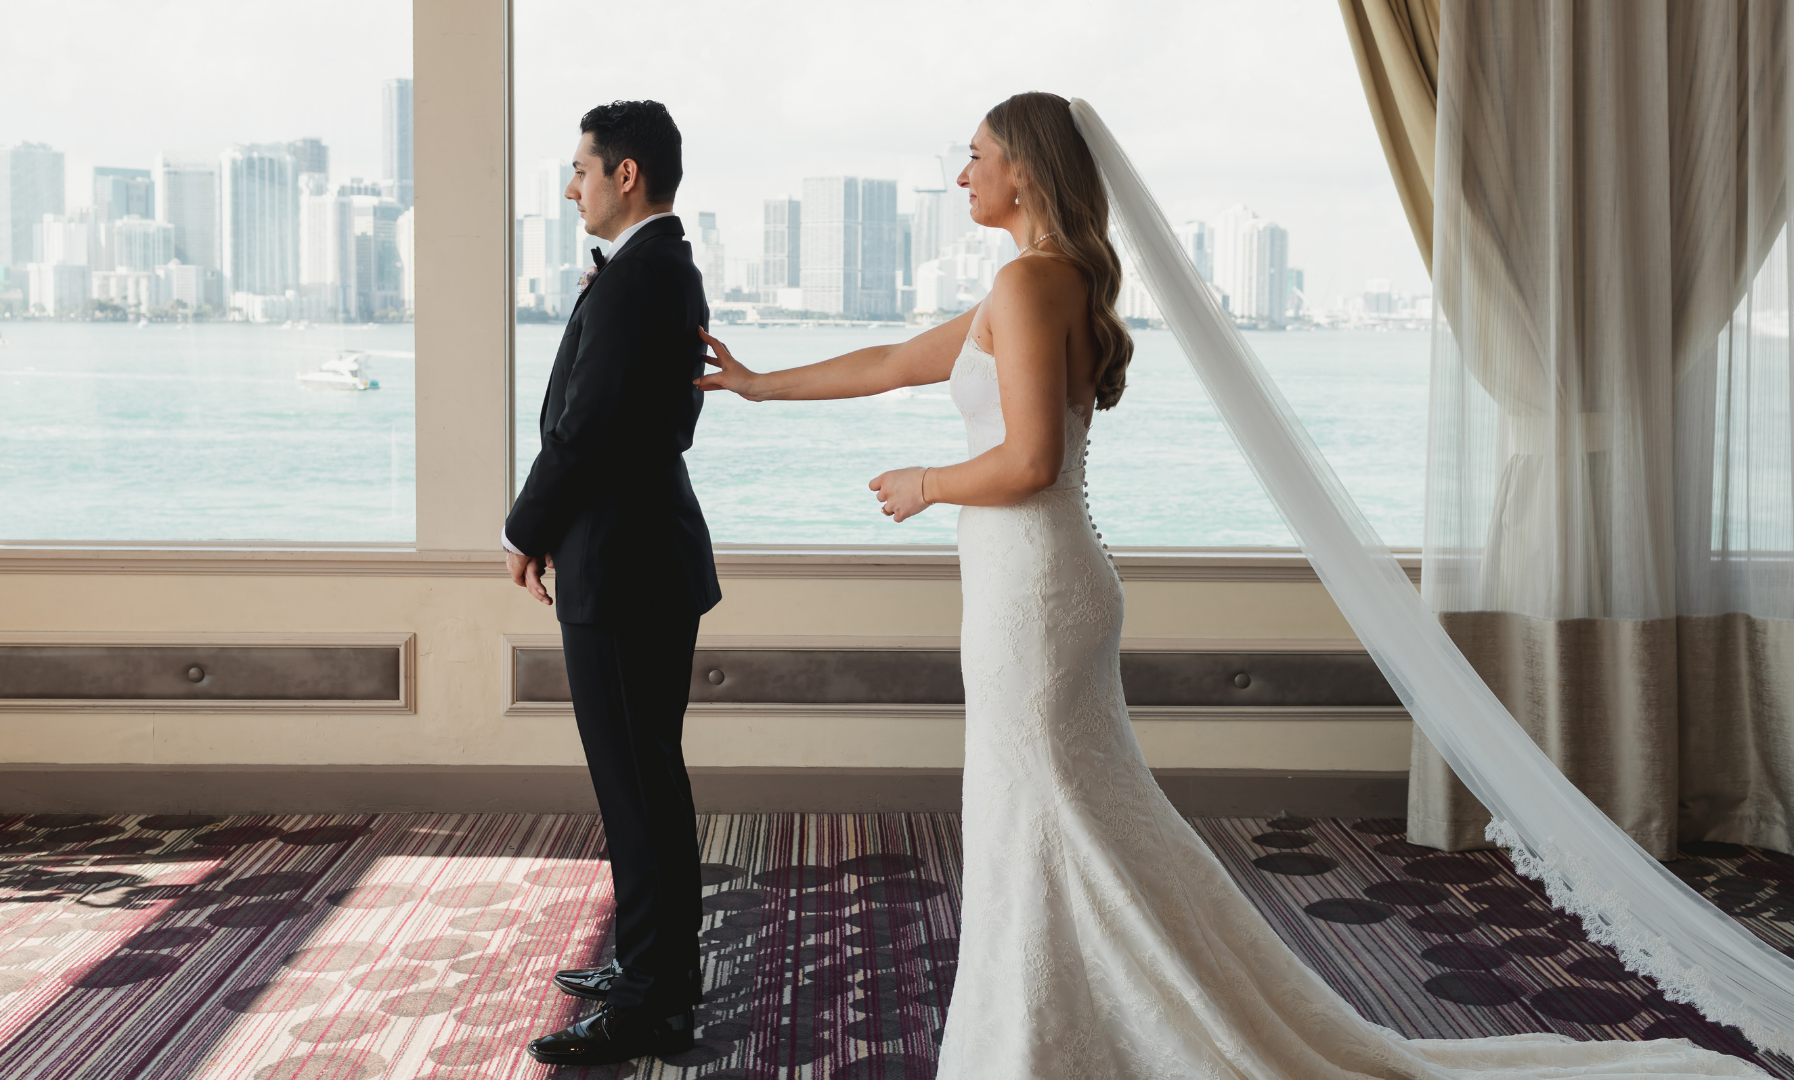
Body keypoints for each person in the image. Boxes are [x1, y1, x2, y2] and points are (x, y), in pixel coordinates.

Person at [696, 92, 1763, 1078]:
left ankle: (1047, 1035)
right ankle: (1069, 1018)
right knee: (1065, 813)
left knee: (1043, 811)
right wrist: (756, 387)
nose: (960, 174)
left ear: (1024, 170)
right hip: (1041, 585)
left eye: (974, 156)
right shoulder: (1035, 281)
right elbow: (889, 361)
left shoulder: (1031, 283)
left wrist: (927, 482)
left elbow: (1028, 463)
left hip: (1034, 591)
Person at [504, 99, 719, 1066]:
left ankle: (656, 1002)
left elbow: (584, 430)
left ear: (625, 174)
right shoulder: (657, 269)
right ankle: (650, 967)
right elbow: (635, 427)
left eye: (581, 169)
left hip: (628, 568)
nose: (569, 187)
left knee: (639, 788)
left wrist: (526, 528)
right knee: (637, 783)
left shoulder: (646, 276)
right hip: (626, 554)